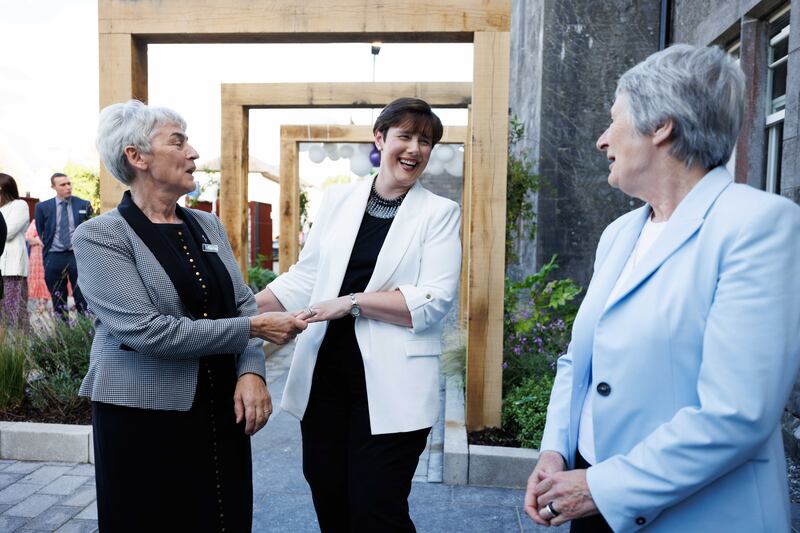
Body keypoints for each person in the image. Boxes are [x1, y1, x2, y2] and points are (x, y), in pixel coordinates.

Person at [523, 44, 800, 532]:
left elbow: (736, 413)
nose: (602, 140)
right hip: (591, 499)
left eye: (614, 120)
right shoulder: (619, 234)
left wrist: (599, 488)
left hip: (699, 515)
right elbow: (579, 361)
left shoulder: (759, 226)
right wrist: (554, 449)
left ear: (661, 126)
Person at [74, 99, 309, 533]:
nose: (194, 153)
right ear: (137, 156)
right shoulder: (99, 236)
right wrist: (254, 330)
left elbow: (242, 303)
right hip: (144, 419)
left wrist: (252, 372)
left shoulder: (207, 226)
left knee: (223, 518)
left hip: (222, 407)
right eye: (178, 142)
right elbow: (148, 332)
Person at [256, 97, 462, 532]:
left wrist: (352, 302)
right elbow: (304, 277)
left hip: (394, 389)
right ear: (380, 138)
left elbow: (433, 300)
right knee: (329, 498)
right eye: (405, 136)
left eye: (425, 141)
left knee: (376, 510)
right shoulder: (337, 200)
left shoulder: (439, 213)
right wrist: (240, 314)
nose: (414, 149)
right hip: (325, 379)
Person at [34, 172, 92, 317]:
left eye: (68, 183)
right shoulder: (42, 207)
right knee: (58, 298)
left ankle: (86, 332)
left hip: (76, 255)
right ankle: (63, 334)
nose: (67, 187)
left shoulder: (83, 204)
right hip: (53, 257)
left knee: (82, 296)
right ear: (53, 187)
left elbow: (88, 228)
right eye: (62, 185)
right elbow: (42, 231)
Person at [0, 173, 31, 332]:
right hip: (1, 268)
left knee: (13, 312)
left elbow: (8, 231)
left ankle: (17, 351)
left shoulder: (19, 205)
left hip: (11, 268)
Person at [24, 219, 52, 311]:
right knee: (36, 278)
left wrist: (37, 239)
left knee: (45, 277)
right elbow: (28, 237)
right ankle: (39, 302)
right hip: (35, 256)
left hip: (47, 254)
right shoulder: (35, 221)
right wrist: (39, 241)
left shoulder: (51, 219)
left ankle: (43, 302)